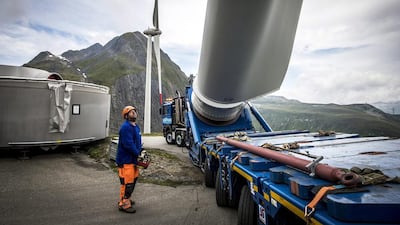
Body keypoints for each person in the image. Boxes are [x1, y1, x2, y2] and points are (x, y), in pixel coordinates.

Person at [116, 105, 142, 213]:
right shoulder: (126, 127)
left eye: (135, 111)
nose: (134, 113)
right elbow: (128, 144)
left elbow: (137, 142)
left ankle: (125, 199)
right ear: (126, 116)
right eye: (131, 112)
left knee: (133, 180)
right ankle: (125, 204)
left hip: (133, 159)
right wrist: (138, 154)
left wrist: (141, 151)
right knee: (128, 183)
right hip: (126, 160)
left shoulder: (135, 127)